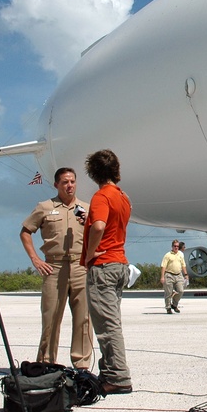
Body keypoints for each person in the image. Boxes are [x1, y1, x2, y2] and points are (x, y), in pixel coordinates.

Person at [19, 167, 93, 369]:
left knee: (83, 319)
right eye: (65, 182)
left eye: (72, 182)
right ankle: (46, 363)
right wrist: (35, 259)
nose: (69, 185)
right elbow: (25, 232)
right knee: (51, 317)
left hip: (80, 266)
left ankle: (82, 365)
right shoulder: (45, 207)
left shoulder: (86, 209)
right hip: (54, 266)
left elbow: (99, 235)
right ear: (56, 185)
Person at [81, 149, 133, 395]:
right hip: (119, 262)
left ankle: (117, 377)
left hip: (104, 265)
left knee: (107, 324)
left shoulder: (101, 196)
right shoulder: (123, 197)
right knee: (112, 321)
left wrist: (91, 252)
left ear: (93, 172)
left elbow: (100, 225)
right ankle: (110, 371)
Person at [160, 240, 188, 313]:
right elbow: (163, 266)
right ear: (172, 246)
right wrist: (162, 277)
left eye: (177, 246)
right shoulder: (168, 255)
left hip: (178, 274)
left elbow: (183, 265)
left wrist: (186, 274)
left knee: (181, 291)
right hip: (169, 275)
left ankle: (174, 304)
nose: (176, 247)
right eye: (175, 246)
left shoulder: (180, 254)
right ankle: (168, 307)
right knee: (168, 292)